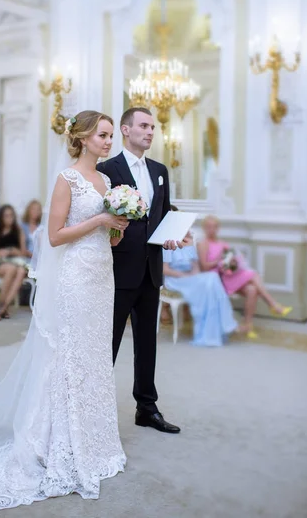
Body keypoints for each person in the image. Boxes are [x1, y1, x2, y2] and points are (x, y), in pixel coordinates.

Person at [0, 110, 127, 510]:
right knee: (69, 353)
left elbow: (107, 239)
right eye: (103, 135)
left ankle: (94, 442)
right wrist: (100, 218)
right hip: (75, 279)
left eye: (111, 135)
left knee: (95, 356)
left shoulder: (109, 180)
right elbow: (55, 235)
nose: (109, 141)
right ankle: (57, 441)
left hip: (102, 274)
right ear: (81, 138)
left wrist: (115, 228)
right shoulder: (68, 179)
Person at [98, 107, 181, 434]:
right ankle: (97, 412)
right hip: (117, 271)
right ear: (125, 129)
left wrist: (176, 235)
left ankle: (146, 407)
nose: (150, 132)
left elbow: (161, 217)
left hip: (151, 270)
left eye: (153, 127)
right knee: (108, 344)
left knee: (148, 342)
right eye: (144, 126)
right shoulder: (106, 169)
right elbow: (99, 221)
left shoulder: (160, 170)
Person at [198, 215, 292, 337]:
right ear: (204, 228)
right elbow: (204, 267)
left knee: (252, 289)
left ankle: (248, 325)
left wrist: (234, 261)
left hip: (227, 275)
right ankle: (273, 304)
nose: (211, 230)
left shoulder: (223, 244)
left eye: (214, 227)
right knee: (253, 275)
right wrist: (219, 260)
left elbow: (230, 265)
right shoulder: (203, 244)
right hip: (215, 279)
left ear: (218, 228)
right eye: (208, 227)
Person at [163, 230, 238, 346]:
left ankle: (211, 331)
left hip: (190, 279)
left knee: (211, 281)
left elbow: (196, 271)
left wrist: (194, 276)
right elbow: (165, 270)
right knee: (211, 279)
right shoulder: (168, 244)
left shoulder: (189, 246)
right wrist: (185, 276)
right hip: (174, 280)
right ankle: (226, 322)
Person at [0, 204, 29, 320]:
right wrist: (1, 251)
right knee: (11, 269)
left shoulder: (18, 231)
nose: (9, 218)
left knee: (21, 271)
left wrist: (15, 251)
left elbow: (23, 252)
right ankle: (2, 305)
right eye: (6, 216)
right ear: (1, 217)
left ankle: (3, 307)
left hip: (16, 261)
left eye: (11, 215)